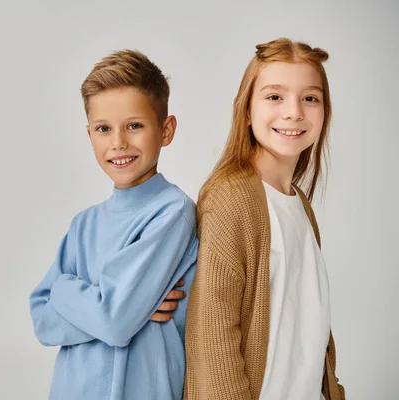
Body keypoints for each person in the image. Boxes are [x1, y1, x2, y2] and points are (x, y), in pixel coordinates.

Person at [30, 49, 197, 400]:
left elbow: (116, 322)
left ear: (166, 130)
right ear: (90, 134)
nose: (118, 142)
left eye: (134, 126)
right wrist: (130, 308)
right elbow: (43, 319)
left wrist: (64, 289)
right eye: (104, 128)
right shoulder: (84, 224)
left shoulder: (171, 213)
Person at [184, 38, 345, 400]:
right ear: (246, 110)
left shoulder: (299, 204)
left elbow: (309, 324)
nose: (294, 112)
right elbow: (212, 333)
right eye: (275, 97)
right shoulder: (233, 198)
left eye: (310, 98)